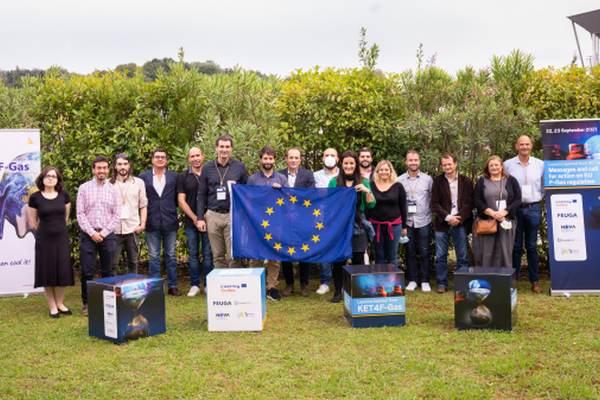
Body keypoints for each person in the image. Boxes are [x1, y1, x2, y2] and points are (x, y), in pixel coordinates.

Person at [328, 150, 376, 302]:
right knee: (338, 260)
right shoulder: (334, 182)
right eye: (346, 163)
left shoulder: (363, 181)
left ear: (355, 165)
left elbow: (372, 204)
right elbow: (328, 204)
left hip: (358, 224)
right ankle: (337, 291)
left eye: (351, 163)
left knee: (358, 257)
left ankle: (356, 290)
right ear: (341, 164)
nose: (348, 166)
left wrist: (367, 191)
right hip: (339, 224)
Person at [28, 166, 74, 318]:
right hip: (44, 240)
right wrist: (45, 231)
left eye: (53, 176)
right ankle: (52, 306)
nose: (50, 178)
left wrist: (57, 229)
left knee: (62, 270)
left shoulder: (64, 196)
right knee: (47, 271)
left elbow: (65, 217)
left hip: (61, 238)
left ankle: (60, 303)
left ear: (57, 180)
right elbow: (32, 222)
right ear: (42, 179)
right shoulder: (35, 198)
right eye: (47, 176)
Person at [197, 134, 248, 268]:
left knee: (233, 254)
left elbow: (245, 192)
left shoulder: (239, 167)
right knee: (218, 254)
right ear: (216, 148)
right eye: (221, 147)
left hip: (232, 215)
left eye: (227, 147)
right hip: (213, 215)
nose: (224, 150)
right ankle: (222, 287)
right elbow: (201, 194)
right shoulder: (207, 168)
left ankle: (235, 285)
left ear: (231, 149)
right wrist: (200, 218)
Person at [76, 156, 120, 315]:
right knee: (87, 270)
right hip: (88, 234)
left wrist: (103, 233)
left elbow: (117, 215)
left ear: (108, 170)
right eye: (98, 168)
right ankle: (87, 304)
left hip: (108, 235)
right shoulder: (84, 188)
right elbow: (80, 214)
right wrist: (93, 233)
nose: (101, 171)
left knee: (108, 270)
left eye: (104, 168)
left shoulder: (114, 189)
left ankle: (109, 301)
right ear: (93, 170)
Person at [504, 135, 544, 293]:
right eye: (521, 144)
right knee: (515, 246)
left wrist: (540, 199)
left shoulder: (540, 165)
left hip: (533, 207)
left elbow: (544, 186)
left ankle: (534, 281)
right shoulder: (508, 165)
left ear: (531, 146)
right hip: (516, 209)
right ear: (516, 146)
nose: (524, 147)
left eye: (527, 144)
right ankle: (513, 281)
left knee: (532, 246)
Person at [247, 146, 288, 301]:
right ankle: (255, 285)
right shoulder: (253, 179)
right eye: (265, 158)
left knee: (274, 256)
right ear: (260, 160)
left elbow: (289, 200)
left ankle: (272, 287)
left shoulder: (281, 179)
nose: (268, 161)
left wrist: (281, 191)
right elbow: (248, 200)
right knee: (255, 255)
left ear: (274, 160)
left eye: (271, 158)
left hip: (276, 222)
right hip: (257, 222)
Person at [431, 153, 474, 293]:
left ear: (455, 164)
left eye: (449, 164)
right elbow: (434, 204)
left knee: (462, 255)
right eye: (444, 165)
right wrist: (448, 217)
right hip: (442, 223)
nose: (447, 167)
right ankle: (442, 283)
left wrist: (458, 218)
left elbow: (469, 203)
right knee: (441, 255)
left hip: (460, 223)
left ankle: (462, 284)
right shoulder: (437, 181)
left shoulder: (466, 181)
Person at [139, 149, 180, 296]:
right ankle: (155, 287)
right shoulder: (143, 177)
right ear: (152, 160)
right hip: (151, 221)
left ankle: (173, 286)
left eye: (163, 157)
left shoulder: (174, 177)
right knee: (154, 256)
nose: (160, 159)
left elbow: (178, 198)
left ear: (167, 160)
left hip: (170, 221)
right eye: (157, 157)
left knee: (171, 255)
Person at [278, 147, 315, 297]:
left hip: (302, 219)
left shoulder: (307, 175)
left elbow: (311, 195)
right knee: (286, 251)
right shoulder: (278, 175)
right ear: (286, 159)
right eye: (290, 157)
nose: (293, 160)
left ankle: (304, 284)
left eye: (296, 158)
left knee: (303, 250)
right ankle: (289, 284)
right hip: (283, 219)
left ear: (300, 160)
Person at [473, 156, 521, 268]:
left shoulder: (511, 180)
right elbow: (477, 200)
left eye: (496, 165)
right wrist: (491, 213)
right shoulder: (482, 181)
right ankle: (487, 279)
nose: (494, 167)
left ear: (501, 166)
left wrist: (505, 212)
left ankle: (505, 282)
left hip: (506, 221)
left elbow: (517, 199)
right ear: (487, 168)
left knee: (505, 251)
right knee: (487, 252)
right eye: (491, 165)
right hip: (487, 222)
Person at [177, 147, 213, 297]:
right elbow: (181, 201)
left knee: (208, 254)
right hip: (191, 222)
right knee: (193, 254)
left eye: (198, 155)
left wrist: (205, 217)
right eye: (193, 156)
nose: (196, 158)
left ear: (203, 156)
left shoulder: (210, 174)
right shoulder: (183, 176)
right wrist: (196, 218)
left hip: (209, 220)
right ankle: (194, 284)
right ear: (188, 159)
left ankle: (208, 285)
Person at [398, 150, 433, 292]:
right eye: (410, 160)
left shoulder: (428, 179)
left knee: (425, 251)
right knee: (410, 251)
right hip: (407, 222)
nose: (413, 162)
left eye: (416, 160)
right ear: (406, 162)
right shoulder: (399, 180)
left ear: (419, 161)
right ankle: (412, 279)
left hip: (424, 220)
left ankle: (425, 280)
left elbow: (432, 198)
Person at [110, 153, 147, 274]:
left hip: (132, 229)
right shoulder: (108, 184)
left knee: (133, 262)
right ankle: (113, 290)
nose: (123, 167)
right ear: (115, 166)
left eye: (125, 164)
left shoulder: (138, 182)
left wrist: (142, 225)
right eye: (119, 164)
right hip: (114, 230)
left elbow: (143, 205)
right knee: (112, 264)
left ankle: (133, 290)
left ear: (129, 165)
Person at [366, 160, 407, 269]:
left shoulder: (398, 186)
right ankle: (381, 282)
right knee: (379, 255)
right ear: (377, 171)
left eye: (386, 169)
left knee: (392, 255)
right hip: (375, 225)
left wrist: (404, 227)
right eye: (381, 170)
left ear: (390, 171)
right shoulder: (371, 186)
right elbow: (367, 206)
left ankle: (392, 282)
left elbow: (403, 206)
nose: (384, 172)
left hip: (394, 225)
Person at [312, 148, 339, 295]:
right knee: (323, 249)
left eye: (332, 155)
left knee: (339, 247)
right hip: (321, 217)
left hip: (339, 217)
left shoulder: (343, 174)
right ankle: (325, 281)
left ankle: (340, 279)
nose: (329, 157)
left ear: (338, 158)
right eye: (326, 155)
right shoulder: (315, 176)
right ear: (322, 158)